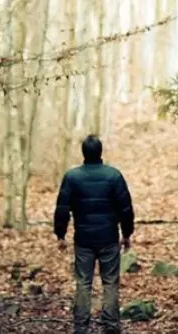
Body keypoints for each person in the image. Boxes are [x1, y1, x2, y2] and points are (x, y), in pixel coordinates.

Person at [54, 134, 135, 334]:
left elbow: (62, 209)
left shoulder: (72, 177)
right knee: (110, 283)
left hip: (83, 240)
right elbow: (126, 208)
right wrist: (126, 234)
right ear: (100, 152)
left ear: (84, 153)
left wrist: (60, 235)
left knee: (83, 283)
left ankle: (80, 328)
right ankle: (111, 326)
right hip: (108, 238)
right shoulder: (114, 176)